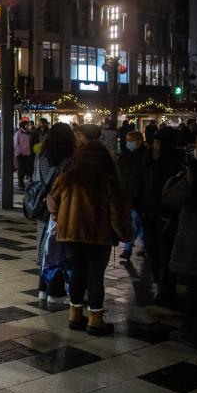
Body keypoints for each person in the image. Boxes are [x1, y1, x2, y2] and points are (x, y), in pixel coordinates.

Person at [47, 141, 134, 336]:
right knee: (95, 276)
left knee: (77, 273)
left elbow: (52, 202)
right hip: (99, 237)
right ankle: (95, 320)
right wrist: (127, 235)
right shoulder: (110, 181)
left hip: (71, 235)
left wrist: (60, 217)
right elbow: (117, 215)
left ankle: (75, 316)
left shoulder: (67, 178)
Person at [164, 133, 197, 348]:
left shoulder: (194, 173)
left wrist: (175, 178)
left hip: (196, 237)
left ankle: (191, 333)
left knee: (196, 290)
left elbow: (171, 197)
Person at [34, 123, 76, 305]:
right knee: (58, 251)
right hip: (60, 210)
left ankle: (43, 289)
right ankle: (55, 292)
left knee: (45, 248)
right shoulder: (67, 162)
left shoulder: (41, 156)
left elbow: (37, 180)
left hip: (42, 207)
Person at [142, 127, 184, 303]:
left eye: (158, 142)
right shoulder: (150, 161)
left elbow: (176, 194)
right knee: (153, 250)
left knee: (165, 251)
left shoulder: (176, 164)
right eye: (154, 142)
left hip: (166, 215)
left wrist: (171, 215)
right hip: (150, 212)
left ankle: (166, 287)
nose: (155, 146)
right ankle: (160, 282)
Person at [118, 131, 149, 260]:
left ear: (139, 141)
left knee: (134, 221)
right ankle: (147, 244)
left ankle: (127, 248)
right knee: (138, 223)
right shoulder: (124, 156)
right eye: (127, 140)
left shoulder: (145, 156)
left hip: (138, 193)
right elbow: (121, 175)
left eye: (131, 141)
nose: (128, 143)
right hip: (127, 193)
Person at [14, 121, 33, 189]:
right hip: (20, 154)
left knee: (25, 167)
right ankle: (20, 181)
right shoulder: (18, 133)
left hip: (27, 153)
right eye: (26, 125)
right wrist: (19, 152)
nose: (28, 126)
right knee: (21, 168)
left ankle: (22, 180)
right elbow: (16, 144)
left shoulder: (29, 133)